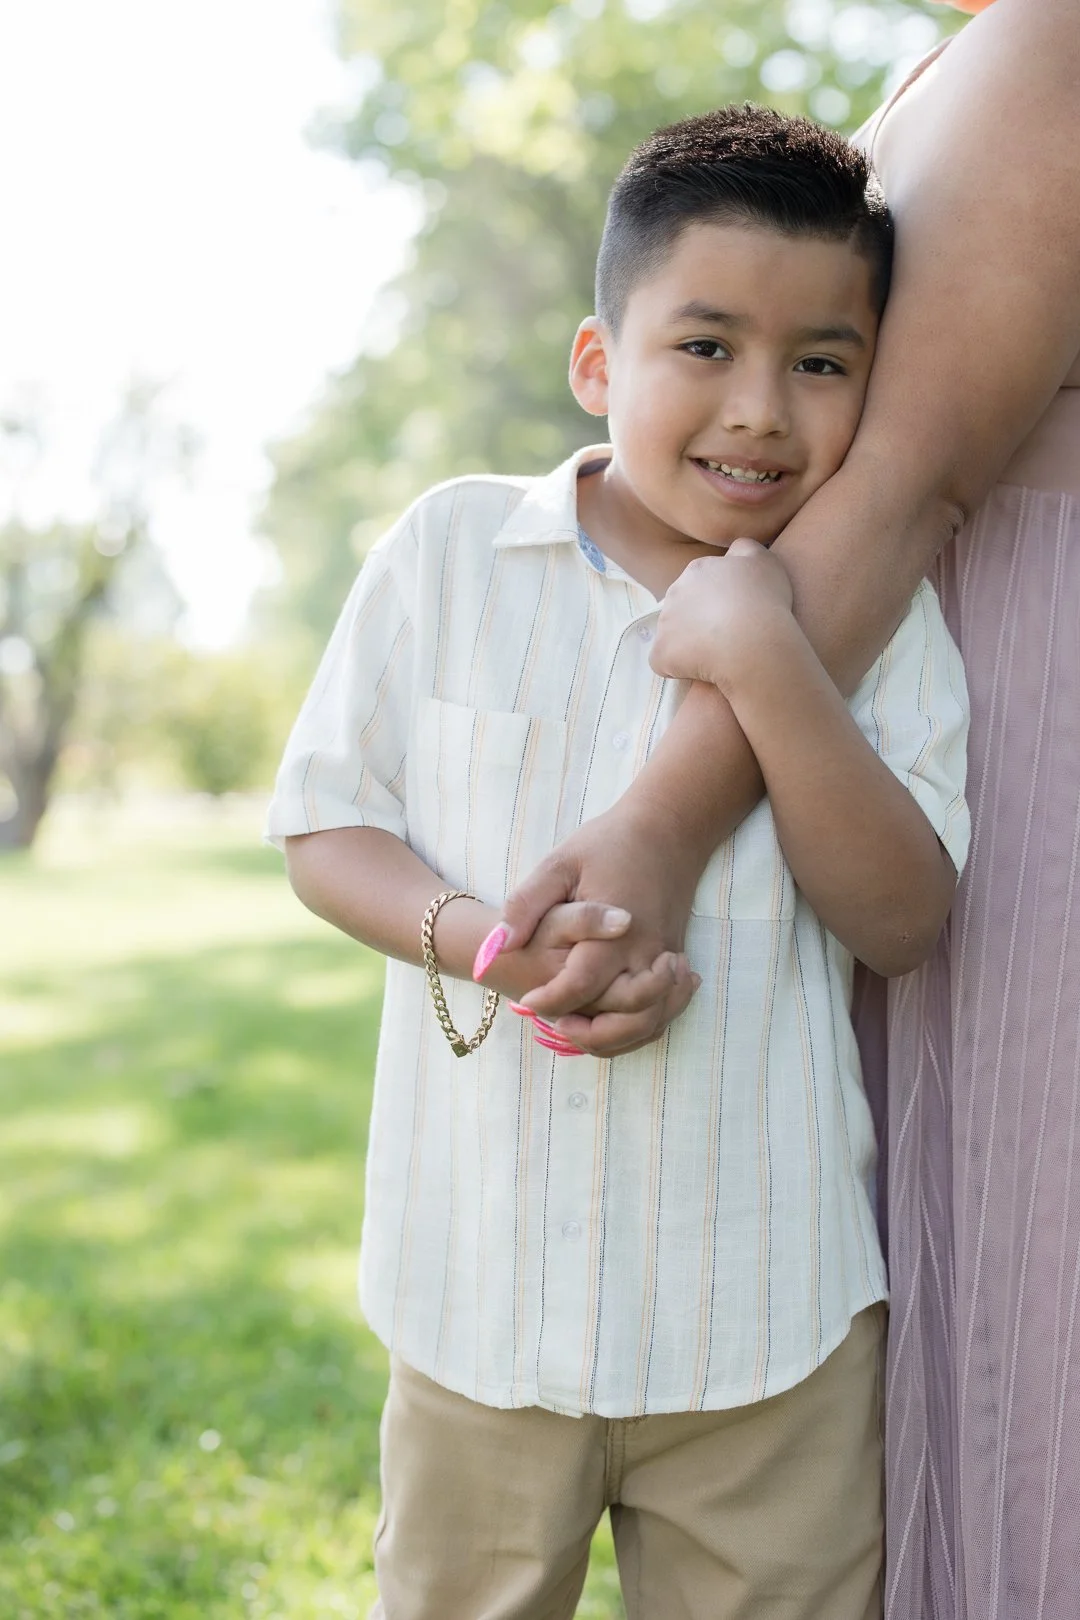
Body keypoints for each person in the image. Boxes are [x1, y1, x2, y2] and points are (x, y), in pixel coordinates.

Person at [268, 107, 970, 1619]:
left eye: (823, 362)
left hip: (767, 1324)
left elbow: (907, 918)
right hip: (479, 1303)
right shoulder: (452, 552)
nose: (763, 412)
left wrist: (776, 669)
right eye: (705, 348)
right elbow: (324, 823)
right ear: (600, 363)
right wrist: (480, 938)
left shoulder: (884, 621)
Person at [498, 3, 1080, 1616]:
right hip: (902, 736)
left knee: (1036, 1321)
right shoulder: (967, 53)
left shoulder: (1054, 43)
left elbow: (899, 495)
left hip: (1023, 775)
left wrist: (661, 826)